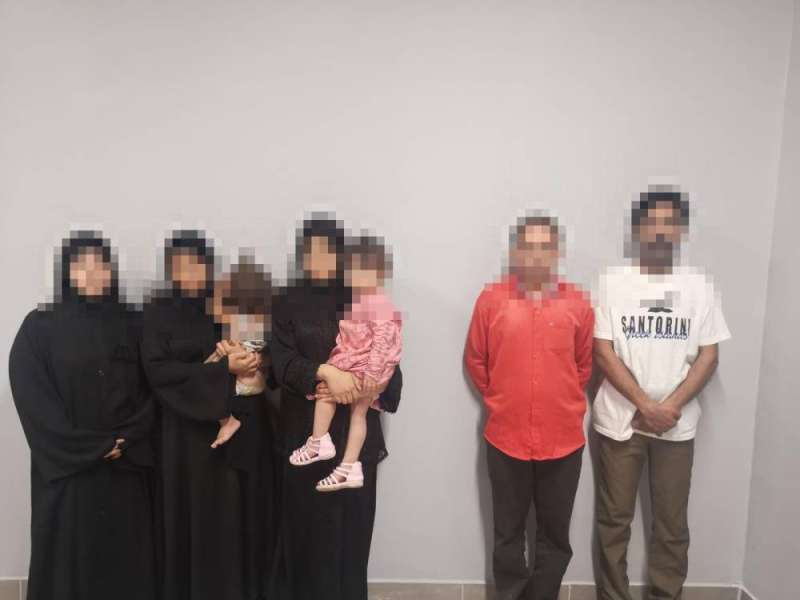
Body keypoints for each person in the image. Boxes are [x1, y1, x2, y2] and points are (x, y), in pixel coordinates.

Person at [592, 187, 731, 600]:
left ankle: (665, 595)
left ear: (680, 230)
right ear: (638, 228)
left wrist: (667, 408)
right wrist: (644, 404)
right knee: (614, 522)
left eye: (669, 222)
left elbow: (709, 355)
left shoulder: (699, 286)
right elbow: (602, 350)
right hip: (620, 421)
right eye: (652, 221)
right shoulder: (612, 282)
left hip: (677, 425)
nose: (660, 230)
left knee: (671, 525)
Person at [8, 232, 156, 600]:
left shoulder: (133, 324)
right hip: (69, 474)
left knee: (125, 563)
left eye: (100, 264)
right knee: (69, 565)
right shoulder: (39, 327)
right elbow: (33, 398)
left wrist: (126, 439)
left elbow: (154, 388)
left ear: (111, 271)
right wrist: (89, 447)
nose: (92, 273)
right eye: (81, 265)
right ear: (66, 272)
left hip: (124, 465)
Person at [269, 215, 403, 600]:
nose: (320, 259)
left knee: (351, 535)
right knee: (304, 533)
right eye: (312, 251)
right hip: (305, 435)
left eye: (329, 251)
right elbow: (280, 362)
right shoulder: (286, 301)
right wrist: (326, 372)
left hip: (354, 445)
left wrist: (362, 384)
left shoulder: (362, 295)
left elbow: (390, 359)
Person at [465, 214, 594, 600]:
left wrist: (557, 399)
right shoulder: (491, 301)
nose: (537, 255)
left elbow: (583, 366)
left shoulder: (578, 303)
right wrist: (503, 399)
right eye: (529, 247)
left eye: (545, 247)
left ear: (557, 252)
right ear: (516, 251)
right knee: (508, 533)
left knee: (555, 536)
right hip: (506, 437)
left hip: (563, 439)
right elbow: (476, 360)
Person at [142, 231, 274, 600]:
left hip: (236, 431)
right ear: (170, 269)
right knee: (191, 518)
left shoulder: (221, 303)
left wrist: (250, 363)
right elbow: (158, 372)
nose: (190, 272)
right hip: (182, 438)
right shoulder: (156, 313)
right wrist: (220, 370)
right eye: (180, 264)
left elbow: (256, 343)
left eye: (197, 263)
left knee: (234, 517)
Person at [289, 235, 402, 493]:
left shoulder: (379, 303)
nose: (356, 278)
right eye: (353, 271)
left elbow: (383, 342)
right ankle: (342, 460)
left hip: (366, 368)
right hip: (354, 364)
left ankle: (330, 450)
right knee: (346, 407)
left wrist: (371, 376)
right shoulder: (356, 301)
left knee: (341, 403)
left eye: (364, 272)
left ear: (379, 273)